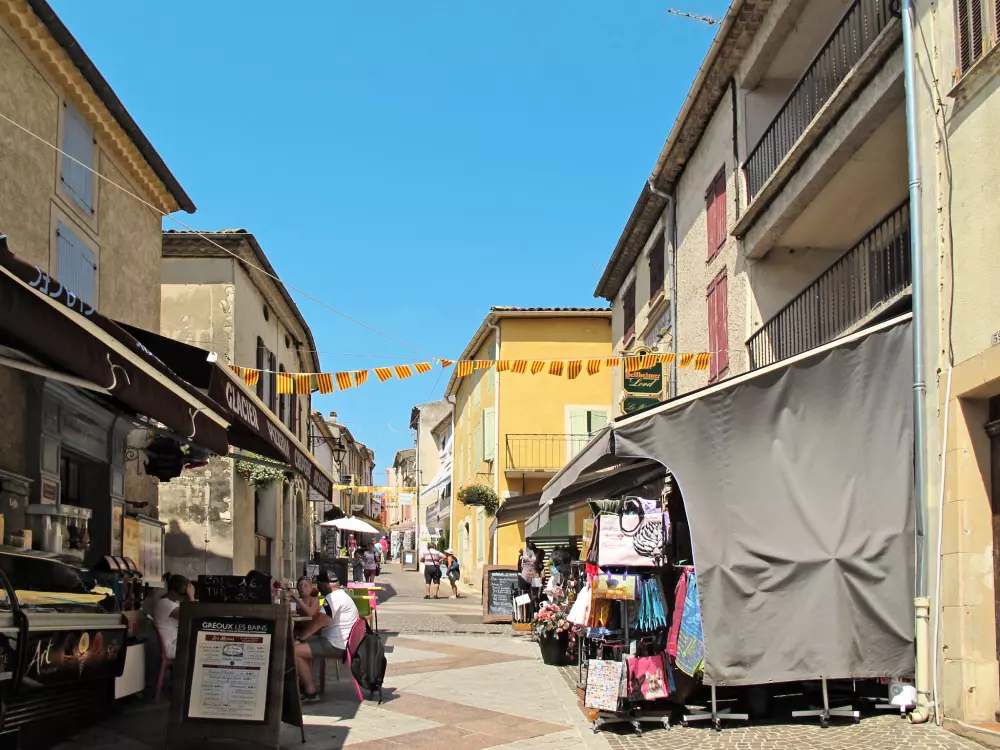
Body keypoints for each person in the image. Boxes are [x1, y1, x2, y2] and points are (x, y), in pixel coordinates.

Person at [293, 574, 360, 703]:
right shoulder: (342, 595)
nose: (318, 589)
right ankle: (303, 681)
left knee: (295, 651)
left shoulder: (333, 598)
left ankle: (310, 691)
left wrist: (301, 637)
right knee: (301, 644)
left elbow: (321, 621)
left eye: (319, 585)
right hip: (342, 642)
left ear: (326, 585)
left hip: (336, 645)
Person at [153, 573, 194, 660]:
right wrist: (191, 597)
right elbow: (192, 616)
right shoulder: (166, 604)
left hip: (173, 644)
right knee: (198, 649)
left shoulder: (169, 603)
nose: (184, 597)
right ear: (173, 591)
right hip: (170, 648)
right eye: (183, 594)